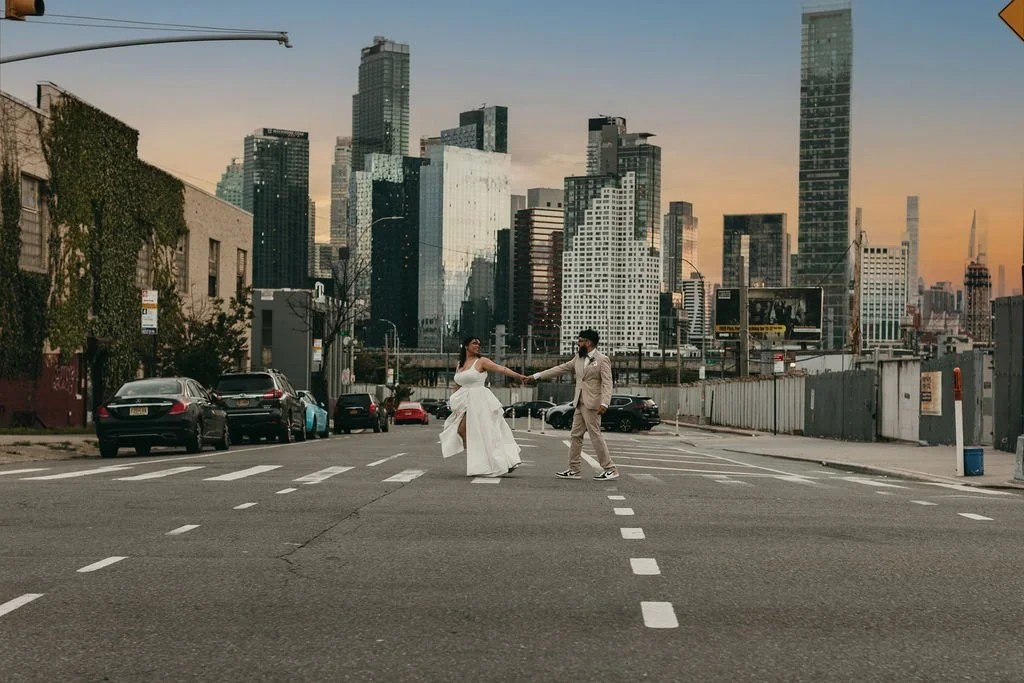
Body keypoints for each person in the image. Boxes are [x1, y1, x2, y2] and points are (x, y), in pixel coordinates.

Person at [528, 329, 619, 481]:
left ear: (588, 342)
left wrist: (605, 402)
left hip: (593, 404)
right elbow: (560, 369)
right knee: (575, 435)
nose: (578, 343)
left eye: (580, 340)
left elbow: (607, 383)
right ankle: (574, 469)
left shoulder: (602, 359)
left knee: (595, 435)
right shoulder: (578, 358)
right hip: (579, 402)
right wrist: (536, 376)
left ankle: (610, 468)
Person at [439, 337, 528, 477]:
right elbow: (457, 384)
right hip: (464, 400)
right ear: (466, 346)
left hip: (480, 400)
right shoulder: (460, 364)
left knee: (487, 432)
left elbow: (502, 369)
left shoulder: (482, 361)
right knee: (462, 431)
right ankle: (485, 459)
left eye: (479, 344)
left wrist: (519, 376)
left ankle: (499, 461)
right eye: (474, 343)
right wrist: (454, 400)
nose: (478, 346)